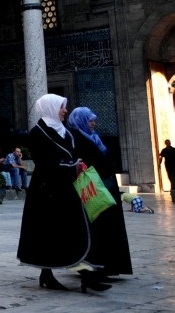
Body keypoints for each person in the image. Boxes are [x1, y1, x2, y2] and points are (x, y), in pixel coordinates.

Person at [16, 94, 109, 293]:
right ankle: (48, 273)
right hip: (47, 192)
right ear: (51, 108)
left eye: (65, 107)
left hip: (68, 190)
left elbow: (74, 154)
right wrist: (70, 167)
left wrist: (79, 164)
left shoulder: (66, 131)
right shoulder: (37, 133)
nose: (65, 110)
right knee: (50, 234)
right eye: (61, 107)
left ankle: (87, 276)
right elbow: (44, 163)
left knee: (73, 231)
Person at [68, 106, 132, 280]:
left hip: (108, 187)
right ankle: (96, 266)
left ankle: (111, 265)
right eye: (90, 120)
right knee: (98, 229)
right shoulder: (76, 140)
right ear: (81, 121)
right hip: (94, 191)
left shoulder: (94, 138)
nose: (94, 123)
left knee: (111, 227)